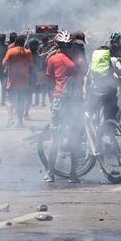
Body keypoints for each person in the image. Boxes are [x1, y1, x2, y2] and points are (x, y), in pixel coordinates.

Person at [44, 32, 85, 183]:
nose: (67, 48)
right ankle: (69, 174)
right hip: (71, 101)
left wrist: (51, 99)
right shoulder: (77, 58)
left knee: (58, 138)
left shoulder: (53, 58)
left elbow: (50, 81)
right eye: (65, 45)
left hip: (62, 100)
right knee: (71, 138)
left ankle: (51, 173)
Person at [3, 35, 32, 127]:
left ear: (15, 43)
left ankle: (11, 118)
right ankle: (20, 122)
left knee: (8, 100)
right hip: (24, 81)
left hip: (12, 81)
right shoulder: (27, 52)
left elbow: (4, 63)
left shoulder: (10, 51)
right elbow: (31, 64)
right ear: (23, 43)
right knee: (21, 101)